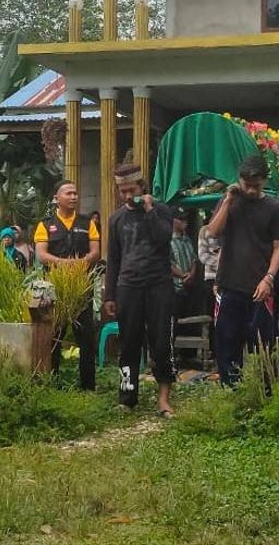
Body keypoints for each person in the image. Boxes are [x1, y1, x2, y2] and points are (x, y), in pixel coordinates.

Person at [103, 163, 176, 417]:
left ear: (142, 186)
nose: (126, 196)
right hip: (128, 287)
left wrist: (149, 210)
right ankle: (127, 397)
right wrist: (109, 295)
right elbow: (113, 259)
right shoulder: (115, 219)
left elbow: (164, 238)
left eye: (131, 190)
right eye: (122, 191)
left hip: (158, 285)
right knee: (129, 343)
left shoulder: (162, 211)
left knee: (161, 341)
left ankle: (164, 398)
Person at [207, 154, 279, 386]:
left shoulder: (273, 207)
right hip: (229, 284)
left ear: (264, 181)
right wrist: (229, 200)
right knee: (227, 342)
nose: (251, 190)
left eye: (256, 186)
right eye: (246, 185)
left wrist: (269, 278)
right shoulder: (229, 201)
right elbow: (212, 231)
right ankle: (231, 390)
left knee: (263, 345)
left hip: (260, 287)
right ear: (239, 181)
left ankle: (264, 394)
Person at [34, 180, 100, 389]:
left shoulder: (87, 222)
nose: (73, 197)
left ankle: (88, 387)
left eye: (75, 193)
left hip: (81, 290)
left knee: (86, 338)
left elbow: (95, 252)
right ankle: (52, 384)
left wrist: (82, 263)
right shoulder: (45, 225)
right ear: (56, 198)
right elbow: (42, 255)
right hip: (55, 291)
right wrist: (66, 264)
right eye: (68, 193)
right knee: (54, 337)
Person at [170, 206, 199, 320]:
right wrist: (182, 275)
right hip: (175, 288)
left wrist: (191, 274)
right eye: (180, 219)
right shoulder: (167, 240)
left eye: (185, 219)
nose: (184, 222)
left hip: (190, 287)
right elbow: (167, 264)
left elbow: (193, 259)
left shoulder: (187, 239)